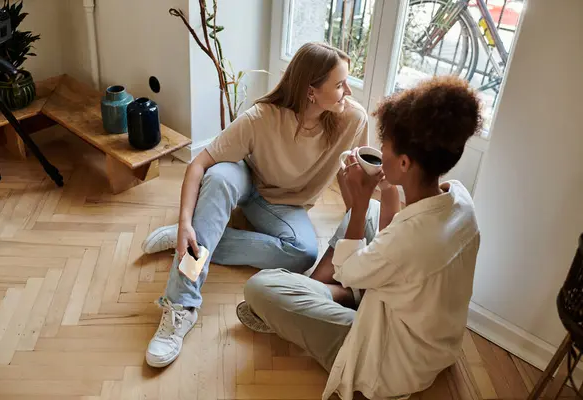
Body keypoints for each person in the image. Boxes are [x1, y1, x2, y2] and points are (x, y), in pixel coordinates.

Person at [236, 76, 482, 400]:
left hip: (387, 358)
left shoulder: (411, 240)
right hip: (434, 338)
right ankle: (332, 296)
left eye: (387, 146)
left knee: (259, 289)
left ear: (405, 162)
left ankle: (319, 301)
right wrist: (380, 193)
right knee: (367, 216)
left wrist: (360, 198)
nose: (381, 152)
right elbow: (397, 240)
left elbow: (358, 264)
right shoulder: (460, 201)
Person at [144, 42, 369, 368]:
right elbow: (198, 164)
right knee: (219, 178)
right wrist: (183, 221)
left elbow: (358, 176)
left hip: (285, 204)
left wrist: (356, 224)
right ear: (311, 91)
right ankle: (182, 304)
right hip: (245, 178)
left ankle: (203, 235)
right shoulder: (261, 118)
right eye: (339, 84)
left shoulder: (352, 119)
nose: (348, 91)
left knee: (303, 253)